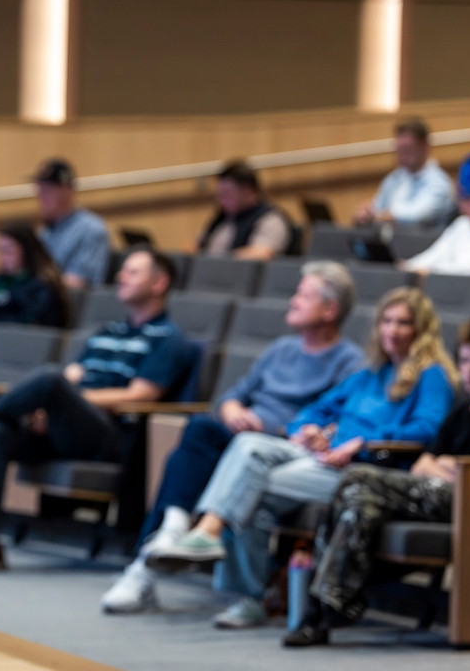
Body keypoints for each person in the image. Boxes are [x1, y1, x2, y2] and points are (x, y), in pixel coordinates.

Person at [154, 287, 456, 629]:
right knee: (249, 444)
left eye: (403, 323)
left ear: (421, 330)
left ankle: (245, 590)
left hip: (365, 470)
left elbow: (428, 429)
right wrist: (308, 428)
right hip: (320, 456)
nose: (392, 330)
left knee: (252, 485)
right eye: (386, 321)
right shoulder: (372, 372)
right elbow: (315, 408)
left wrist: (363, 444)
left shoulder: (431, 375)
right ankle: (212, 537)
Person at [0, 247, 192, 570]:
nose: (121, 277)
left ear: (159, 283)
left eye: (133, 272)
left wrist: (68, 399)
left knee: (50, 379)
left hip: (109, 436)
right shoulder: (107, 332)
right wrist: (45, 409)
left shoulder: (169, 339)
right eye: (122, 271)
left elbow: (140, 396)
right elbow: (73, 376)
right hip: (65, 426)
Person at [101, 261, 365, 614]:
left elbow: (331, 424)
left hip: (282, 450)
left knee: (224, 447)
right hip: (240, 437)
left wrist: (271, 429)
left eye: (304, 295)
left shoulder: (349, 362)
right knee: (199, 429)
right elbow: (230, 397)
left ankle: (149, 561)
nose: (293, 301)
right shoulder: (281, 349)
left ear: (330, 309)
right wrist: (234, 412)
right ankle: (170, 531)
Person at [284, 317, 470, 647]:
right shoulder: (460, 412)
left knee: (358, 476)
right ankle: (329, 607)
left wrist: (442, 466)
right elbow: (423, 463)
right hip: (435, 493)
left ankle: (331, 602)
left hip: (468, 504)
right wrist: (441, 465)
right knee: (359, 502)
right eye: (465, 361)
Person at [354, 118, 454, 229]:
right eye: (399, 150)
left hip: (421, 243)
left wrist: (380, 217)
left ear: (424, 145)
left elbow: (416, 215)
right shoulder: (394, 178)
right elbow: (377, 207)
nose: (402, 156)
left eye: (407, 149)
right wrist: (365, 213)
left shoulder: (439, 182)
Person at [33, 158, 110, 289]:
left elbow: (79, 283)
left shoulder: (91, 229)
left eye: (48, 191)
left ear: (67, 189)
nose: (42, 197)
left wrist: (32, 285)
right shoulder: (46, 230)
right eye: (40, 191)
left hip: (75, 305)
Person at [195, 161, 294, 261]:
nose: (222, 201)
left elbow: (262, 253)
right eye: (220, 195)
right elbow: (197, 245)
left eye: (227, 194)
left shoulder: (271, 219)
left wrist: (217, 262)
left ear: (247, 190)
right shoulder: (222, 217)